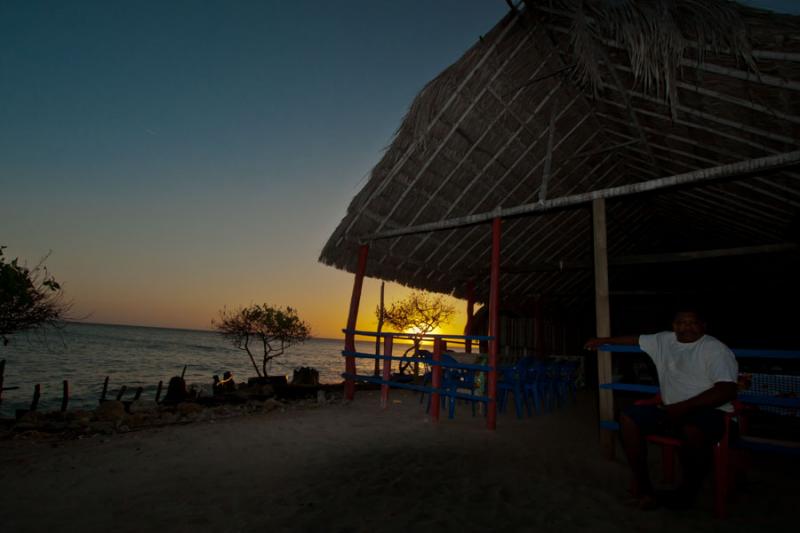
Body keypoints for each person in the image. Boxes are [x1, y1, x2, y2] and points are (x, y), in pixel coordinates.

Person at [584, 308, 738, 510]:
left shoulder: (715, 349)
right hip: (671, 410)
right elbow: (634, 339)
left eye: (693, 323)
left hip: (710, 411)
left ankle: (687, 493)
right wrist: (604, 340)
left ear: (703, 326)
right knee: (628, 419)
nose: (687, 327)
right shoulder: (664, 340)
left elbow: (726, 391)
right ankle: (645, 489)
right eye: (682, 322)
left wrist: (682, 407)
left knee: (692, 430)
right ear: (674, 326)